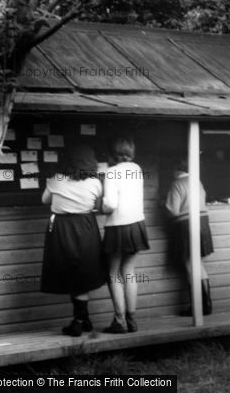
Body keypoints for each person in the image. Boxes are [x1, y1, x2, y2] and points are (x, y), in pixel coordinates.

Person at [40, 144, 105, 337]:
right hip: (86, 226)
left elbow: (45, 200)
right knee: (82, 272)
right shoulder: (95, 183)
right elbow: (98, 203)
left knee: (70, 271)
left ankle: (79, 321)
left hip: (62, 228)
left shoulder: (56, 179)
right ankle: (82, 320)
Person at [102, 137, 149, 333]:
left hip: (117, 226)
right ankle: (131, 319)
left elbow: (111, 204)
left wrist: (102, 206)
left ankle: (119, 321)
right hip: (137, 224)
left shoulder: (111, 173)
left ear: (113, 152)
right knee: (129, 271)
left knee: (113, 273)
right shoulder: (137, 169)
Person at [165, 159, 215, 316]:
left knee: (189, 265)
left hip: (187, 225)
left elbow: (172, 210)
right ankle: (206, 305)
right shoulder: (197, 181)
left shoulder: (177, 184)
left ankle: (198, 307)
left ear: (176, 169)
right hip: (202, 223)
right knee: (199, 264)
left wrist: (163, 202)